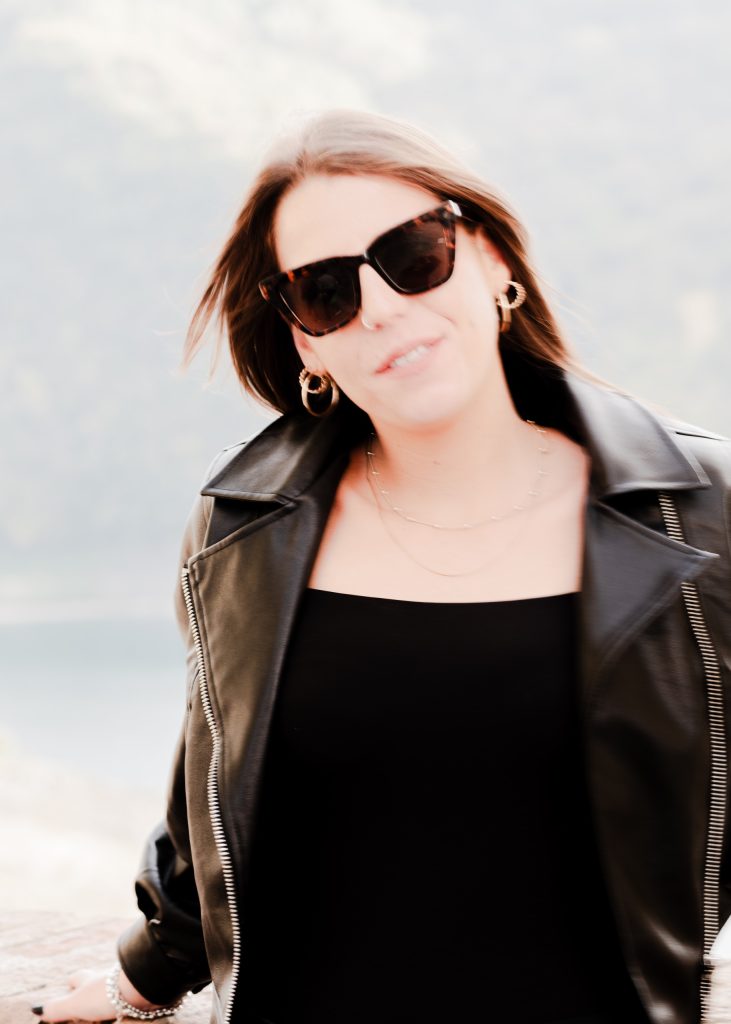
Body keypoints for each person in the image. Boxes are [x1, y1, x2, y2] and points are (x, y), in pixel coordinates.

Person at [32, 110, 731, 1024]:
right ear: (306, 342)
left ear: (493, 260)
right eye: (326, 291)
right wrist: (142, 976)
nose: (381, 308)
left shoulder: (699, 510)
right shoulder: (242, 529)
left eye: (412, 254)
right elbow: (209, 797)